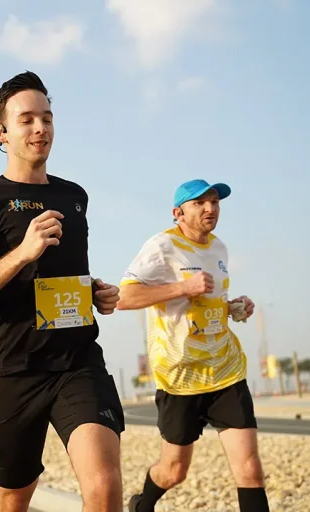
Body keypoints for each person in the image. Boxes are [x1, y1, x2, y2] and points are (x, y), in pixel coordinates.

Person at [0, 71, 125, 512]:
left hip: (77, 363)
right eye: (26, 120)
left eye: (46, 118)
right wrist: (22, 253)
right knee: (12, 498)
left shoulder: (74, 196)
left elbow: (63, 275)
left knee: (103, 488)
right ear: (1, 133)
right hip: (16, 369)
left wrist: (95, 293)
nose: (40, 128)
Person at [116, 179, 269, 512]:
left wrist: (233, 308)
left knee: (251, 470)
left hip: (225, 370)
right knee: (174, 471)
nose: (210, 208)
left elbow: (211, 299)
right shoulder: (161, 247)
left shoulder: (220, 249)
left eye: (214, 201)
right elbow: (124, 298)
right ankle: (142, 505)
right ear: (178, 213)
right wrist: (182, 288)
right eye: (200, 203)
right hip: (179, 376)